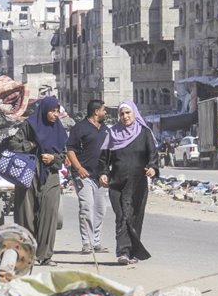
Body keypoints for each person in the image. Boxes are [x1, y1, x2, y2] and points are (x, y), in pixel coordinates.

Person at [0, 96, 67, 266]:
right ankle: (27, 254)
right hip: (28, 172)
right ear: (44, 110)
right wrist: (31, 145)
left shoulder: (59, 129)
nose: (55, 114)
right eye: (52, 110)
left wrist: (53, 158)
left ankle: (45, 256)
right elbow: (13, 144)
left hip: (50, 175)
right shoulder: (30, 124)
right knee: (26, 215)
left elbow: (64, 154)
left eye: (57, 110)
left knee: (49, 214)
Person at [99, 100, 158, 266]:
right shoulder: (113, 134)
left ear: (134, 113)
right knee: (122, 216)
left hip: (138, 184)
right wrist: (103, 173)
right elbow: (104, 159)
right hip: (117, 183)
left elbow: (152, 155)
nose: (125, 117)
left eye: (128, 113)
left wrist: (152, 168)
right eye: (122, 114)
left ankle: (133, 252)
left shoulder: (144, 133)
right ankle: (123, 252)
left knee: (135, 216)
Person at [66, 99, 109, 254]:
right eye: (103, 110)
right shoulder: (80, 128)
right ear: (96, 111)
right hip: (83, 175)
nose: (105, 112)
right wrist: (78, 167)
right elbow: (70, 149)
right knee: (86, 207)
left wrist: (106, 172)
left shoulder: (105, 129)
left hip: (101, 176)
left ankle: (96, 242)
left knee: (100, 210)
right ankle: (87, 242)